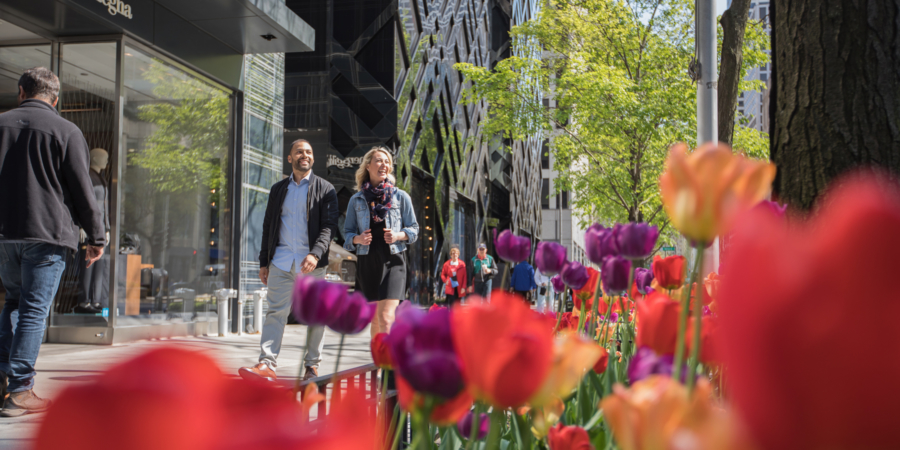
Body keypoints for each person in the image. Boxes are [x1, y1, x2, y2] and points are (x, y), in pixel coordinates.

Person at [0, 67, 106, 416]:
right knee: (33, 309)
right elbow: (81, 189)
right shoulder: (66, 130)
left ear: (21, 92)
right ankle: (20, 390)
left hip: (5, 235)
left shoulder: (1, 124)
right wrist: (96, 236)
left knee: (13, 303)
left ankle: (4, 383)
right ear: (55, 99)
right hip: (47, 235)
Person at [239, 139, 338, 382]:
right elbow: (268, 227)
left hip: (311, 264)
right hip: (281, 262)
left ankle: (312, 366)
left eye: (309, 152)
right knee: (275, 313)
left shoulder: (326, 189)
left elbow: (328, 227)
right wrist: (264, 262)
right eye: (299, 152)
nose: (305, 155)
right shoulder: (278, 189)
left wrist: (315, 254)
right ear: (290, 158)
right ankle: (266, 364)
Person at [343, 146, 418, 338]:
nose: (383, 164)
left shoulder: (401, 197)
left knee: (386, 318)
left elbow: (414, 229)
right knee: (375, 320)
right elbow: (348, 234)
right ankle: (379, 364)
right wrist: (358, 239)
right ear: (368, 166)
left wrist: (398, 236)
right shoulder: (356, 200)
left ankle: (388, 366)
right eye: (378, 160)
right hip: (368, 263)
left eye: (387, 161)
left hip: (393, 261)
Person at [75, 148, 111, 314]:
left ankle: (96, 300)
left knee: (99, 265)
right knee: (87, 264)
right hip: (89, 228)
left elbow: (104, 207)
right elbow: (82, 202)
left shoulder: (101, 179)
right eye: (103, 158)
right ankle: (84, 301)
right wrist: (81, 225)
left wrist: (107, 228)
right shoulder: (87, 177)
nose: (106, 161)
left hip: (100, 229)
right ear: (94, 158)